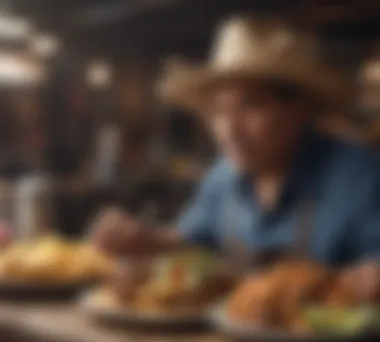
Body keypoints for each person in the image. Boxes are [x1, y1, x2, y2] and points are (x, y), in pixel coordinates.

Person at [90, 16, 380, 299]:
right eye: (219, 111)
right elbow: (195, 242)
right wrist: (146, 240)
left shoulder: (360, 177)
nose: (230, 130)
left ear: (300, 109)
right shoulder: (222, 177)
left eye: (251, 106)